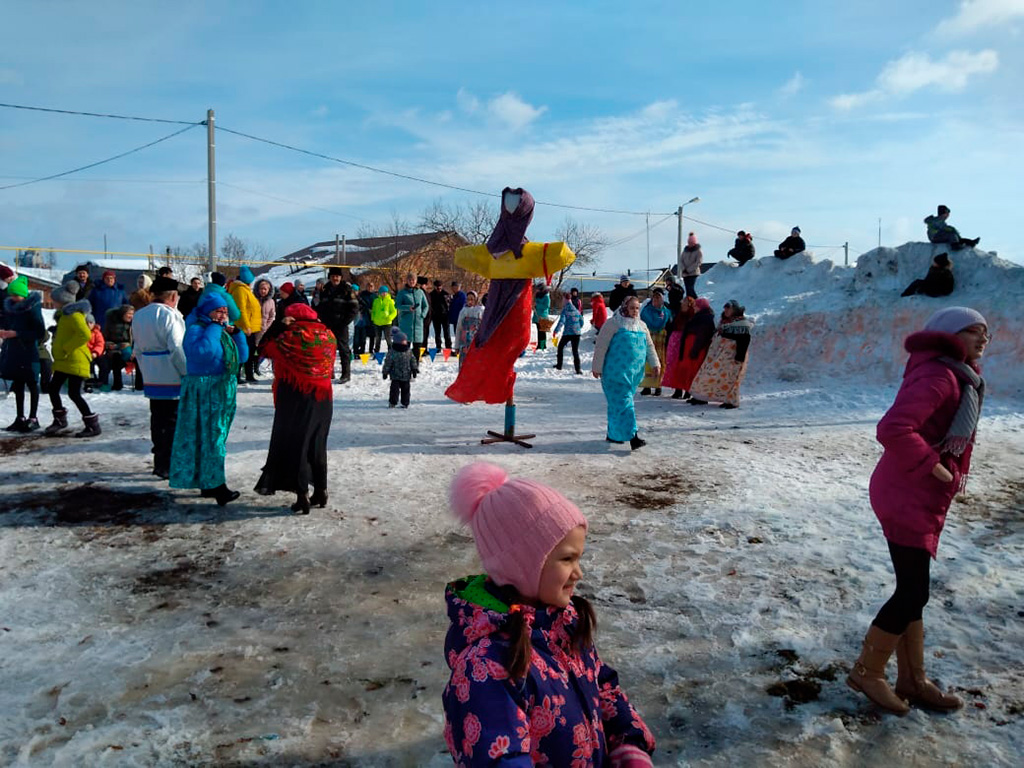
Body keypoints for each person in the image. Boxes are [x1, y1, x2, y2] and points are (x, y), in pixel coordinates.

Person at [442, 462, 656, 766]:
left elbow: (601, 685)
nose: (578, 573)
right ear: (521, 565)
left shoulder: (563, 623)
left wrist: (628, 745)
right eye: (567, 559)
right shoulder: (486, 665)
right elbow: (501, 758)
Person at [847, 307, 988, 716]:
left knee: (913, 589)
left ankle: (912, 679)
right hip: (906, 490)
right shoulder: (940, 375)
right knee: (913, 592)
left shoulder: (958, 374)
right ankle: (868, 672)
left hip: (916, 492)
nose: (983, 339)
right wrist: (935, 466)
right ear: (949, 335)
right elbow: (893, 428)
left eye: (986, 333)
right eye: (973, 331)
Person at [254, 303, 337, 514]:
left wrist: (278, 326)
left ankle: (302, 495)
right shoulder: (328, 335)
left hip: (296, 395)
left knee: (296, 445)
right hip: (323, 398)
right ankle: (321, 490)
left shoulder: (290, 336)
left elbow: (262, 347)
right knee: (317, 445)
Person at [170, 292, 241, 506]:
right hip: (204, 391)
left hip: (221, 390)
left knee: (214, 437)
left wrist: (237, 335)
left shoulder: (219, 330)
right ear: (207, 312)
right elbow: (203, 353)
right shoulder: (196, 329)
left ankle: (208, 482)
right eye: (218, 311)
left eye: (225, 311)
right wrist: (215, 327)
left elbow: (243, 356)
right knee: (211, 438)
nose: (223, 315)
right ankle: (217, 486)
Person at [132, 276, 187, 480]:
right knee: (173, 421)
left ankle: (160, 462)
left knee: (157, 419)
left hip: (151, 374)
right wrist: (186, 372)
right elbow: (176, 347)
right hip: (171, 373)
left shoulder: (139, 315)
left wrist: (146, 370)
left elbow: (137, 348)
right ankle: (169, 464)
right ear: (173, 296)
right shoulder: (170, 315)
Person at [593, 296, 659, 450]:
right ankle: (633, 436)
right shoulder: (613, 324)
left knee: (617, 405)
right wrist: (597, 367)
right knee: (625, 403)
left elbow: (649, 346)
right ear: (624, 308)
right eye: (632, 308)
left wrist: (655, 363)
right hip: (615, 373)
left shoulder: (641, 326)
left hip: (633, 374)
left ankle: (613, 434)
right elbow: (601, 346)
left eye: (637, 308)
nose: (635, 311)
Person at [45, 281, 99, 437]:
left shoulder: (74, 315)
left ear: (63, 300)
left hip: (75, 360)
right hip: (65, 361)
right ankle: (60, 420)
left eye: (55, 300)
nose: (53, 302)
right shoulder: (65, 315)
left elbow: (85, 334)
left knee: (74, 393)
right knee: (53, 388)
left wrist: (67, 348)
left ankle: (92, 425)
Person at [689, 300, 753, 409]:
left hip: (731, 355)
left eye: (729, 308)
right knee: (709, 373)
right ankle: (701, 396)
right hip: (718, 354)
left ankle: (731, 400)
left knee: (730, 378)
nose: (726, 310)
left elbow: (744, 341)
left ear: (735, 310)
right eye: (725, 308)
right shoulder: (724, 322)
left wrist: (739, 357)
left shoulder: (741, 324)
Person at [0, 276, 45, 432]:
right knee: (18, 384)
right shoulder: (11, 309)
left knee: (32, 383)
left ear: (23, 295)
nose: (13, 298)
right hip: (14, 352)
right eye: (11, 295)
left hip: (29, 352)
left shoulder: (32, 309)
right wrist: (4, 332)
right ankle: (20, 417)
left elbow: (39, 332)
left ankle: (33, 418)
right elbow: (7, 325)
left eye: (16, 295)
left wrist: (17, 333)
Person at [663, 298, 715, 399]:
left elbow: (702, 334)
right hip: (685, 345)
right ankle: (680, 389)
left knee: (690, 369)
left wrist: (695, 348)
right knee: (682, 367)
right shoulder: (692, 316)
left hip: (694, 347)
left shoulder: (700, 318)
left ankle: (689, 390)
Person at [316, 267, 359, 384]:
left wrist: (344, 321)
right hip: (327, 325)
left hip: (341, 325)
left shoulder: (346, 289)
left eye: (337, 276)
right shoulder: (325, 290)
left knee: (344, 349)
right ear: (329, 277)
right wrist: (322, 320)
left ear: (341, 277)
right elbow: (321, 307)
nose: (335, 278)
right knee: (327, 349)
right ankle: (329, 372)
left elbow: (354, 308)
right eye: (333, 276)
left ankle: (346, 374)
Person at [228, 266, 262, 384]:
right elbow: (241, 309)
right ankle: (237, 376)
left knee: (250, 352)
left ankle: (249, 374)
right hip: (244, 328)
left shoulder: (245, 290)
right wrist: (246, 326)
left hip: (250, 327)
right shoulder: (240, 290)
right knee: (242, 352)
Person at [639, 288, 672, 396]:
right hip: (649, 337)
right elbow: (642, 322)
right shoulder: (647, 311)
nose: (656, 301)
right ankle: (647, 386)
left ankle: (658, 386)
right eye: (654, 299)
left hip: (661, 340)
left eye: (658, 299)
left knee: (660, 362)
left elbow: (669, 324)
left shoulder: (666, 312)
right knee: (647, 361)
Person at [99, 304, 135, 391]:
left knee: (126, 355)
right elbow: (104, 338)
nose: (131, 316)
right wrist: (108, 344)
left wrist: (132, 347)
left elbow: (137, 339)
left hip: (130, 349)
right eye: (129, 314)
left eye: (132, 314)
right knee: (116, 357)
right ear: (122, 314)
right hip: (114, 348)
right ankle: (117, 384)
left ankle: (139, 385)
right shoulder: (111, 323)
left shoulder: (134, 324)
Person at [382, 329, 419, 408]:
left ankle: (405, 403)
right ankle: (393, 402)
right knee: (394, 390)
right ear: (398, 341)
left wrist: (414, 369)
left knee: (406, 390)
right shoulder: (392, 352)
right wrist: (385, 372)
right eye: (404, 340)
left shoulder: (408, 351)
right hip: (395, 375)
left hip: (406, 375)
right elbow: (388, 362)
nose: (406, 342)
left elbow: (412, 360)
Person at [396, 272, 429, 357]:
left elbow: (426, 306)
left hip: (418, 325)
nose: (412, 281)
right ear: (407, 281)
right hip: (406, 324)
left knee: (417, 349)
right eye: (410, 280)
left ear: (416, 281)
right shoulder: (402, 293)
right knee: (405, 349)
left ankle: (415, 364)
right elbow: (397, 305)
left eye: (413, 280)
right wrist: (408, 308)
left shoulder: (420, 292)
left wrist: (422, 315)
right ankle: (405, 364)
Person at [552, 290, 584, 374]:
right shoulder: (576, 310)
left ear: (564, 300)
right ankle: (578, 369)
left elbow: (561, 321)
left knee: (560, 347)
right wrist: (578, 327)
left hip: (568, 333)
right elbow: (581, 320)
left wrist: (556, 331)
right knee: (575, 351)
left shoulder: (565, 310)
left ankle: (559, 365)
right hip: (577, 333)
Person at [453, 290, 484, 369]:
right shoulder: (463, 311)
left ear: (476, 299)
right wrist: (457, 346)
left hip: (477, 343)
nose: (470, 301)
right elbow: (459, 328)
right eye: (468, 299)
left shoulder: (481, 310)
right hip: (464, 344)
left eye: (472, 299)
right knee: (464, 365)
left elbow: (485, 327)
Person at [252, 278, 277, 374]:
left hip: (264, 329)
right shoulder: (254, 299)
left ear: (268, 290)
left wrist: (266, 326)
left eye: (265, 289)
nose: (263, 291)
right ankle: (251, 367)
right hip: (254, 328)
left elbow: (272, 316)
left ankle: (257, 366)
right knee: (252, 349)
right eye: (261, 289)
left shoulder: (271, 301)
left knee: (261, 349)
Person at [371, 285, 398, 354]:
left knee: (387, 337)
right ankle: (376, 350)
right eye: (383, 292)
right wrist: (373, 318)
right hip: (377, 322)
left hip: (387, 322)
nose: (384, 293)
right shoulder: (376, 301)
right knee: (378, 338)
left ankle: (390, 350)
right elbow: (373, 311)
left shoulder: (390, 301)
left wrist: (390, 317)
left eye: (385, 292)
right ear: (380, 293)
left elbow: (394, 312)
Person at [354, 276, 377, 355]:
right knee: (363, 335)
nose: (370, 288)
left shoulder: (375, 296)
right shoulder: (362, 294)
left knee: (372, 335)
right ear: (366, 287)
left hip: (373, 316)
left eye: (371, 286)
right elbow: (360, 303)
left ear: (373, 287)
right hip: (364, 316)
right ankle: (361, 349)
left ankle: (371, 349)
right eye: (368, 286)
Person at [429, 279, 452, 351]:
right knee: (437, 332)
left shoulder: (446, 294)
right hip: (436, 316)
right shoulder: (431, 295)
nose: (439, 288)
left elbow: (449, 304)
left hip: (445, 316)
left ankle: (448, 346)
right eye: (437, 286)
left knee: (447, 332)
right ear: (434, 287)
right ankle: (438, 346)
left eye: (440, 286)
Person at [678, 231, 703, 299]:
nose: (690, 244)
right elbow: (681, 260)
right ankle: (689, 302)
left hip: (694, 274)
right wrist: (683, 269)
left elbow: (698, 262)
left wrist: (689, 270)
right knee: (688, 290)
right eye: (689, 242)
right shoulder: (685, 251)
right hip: (685, 274)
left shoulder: (698, 251)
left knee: (691, 288)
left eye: (691, 242)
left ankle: (696, 301)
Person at [532, 282, 551, 350]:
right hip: (537, 316)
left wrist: (537, 305)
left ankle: (543, 346)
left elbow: (546, 306)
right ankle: (539, 345)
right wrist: (534, 305)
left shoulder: (546, 296)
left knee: (542, 332)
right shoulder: (537, 295)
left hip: (543, 316)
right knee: (539, 332)